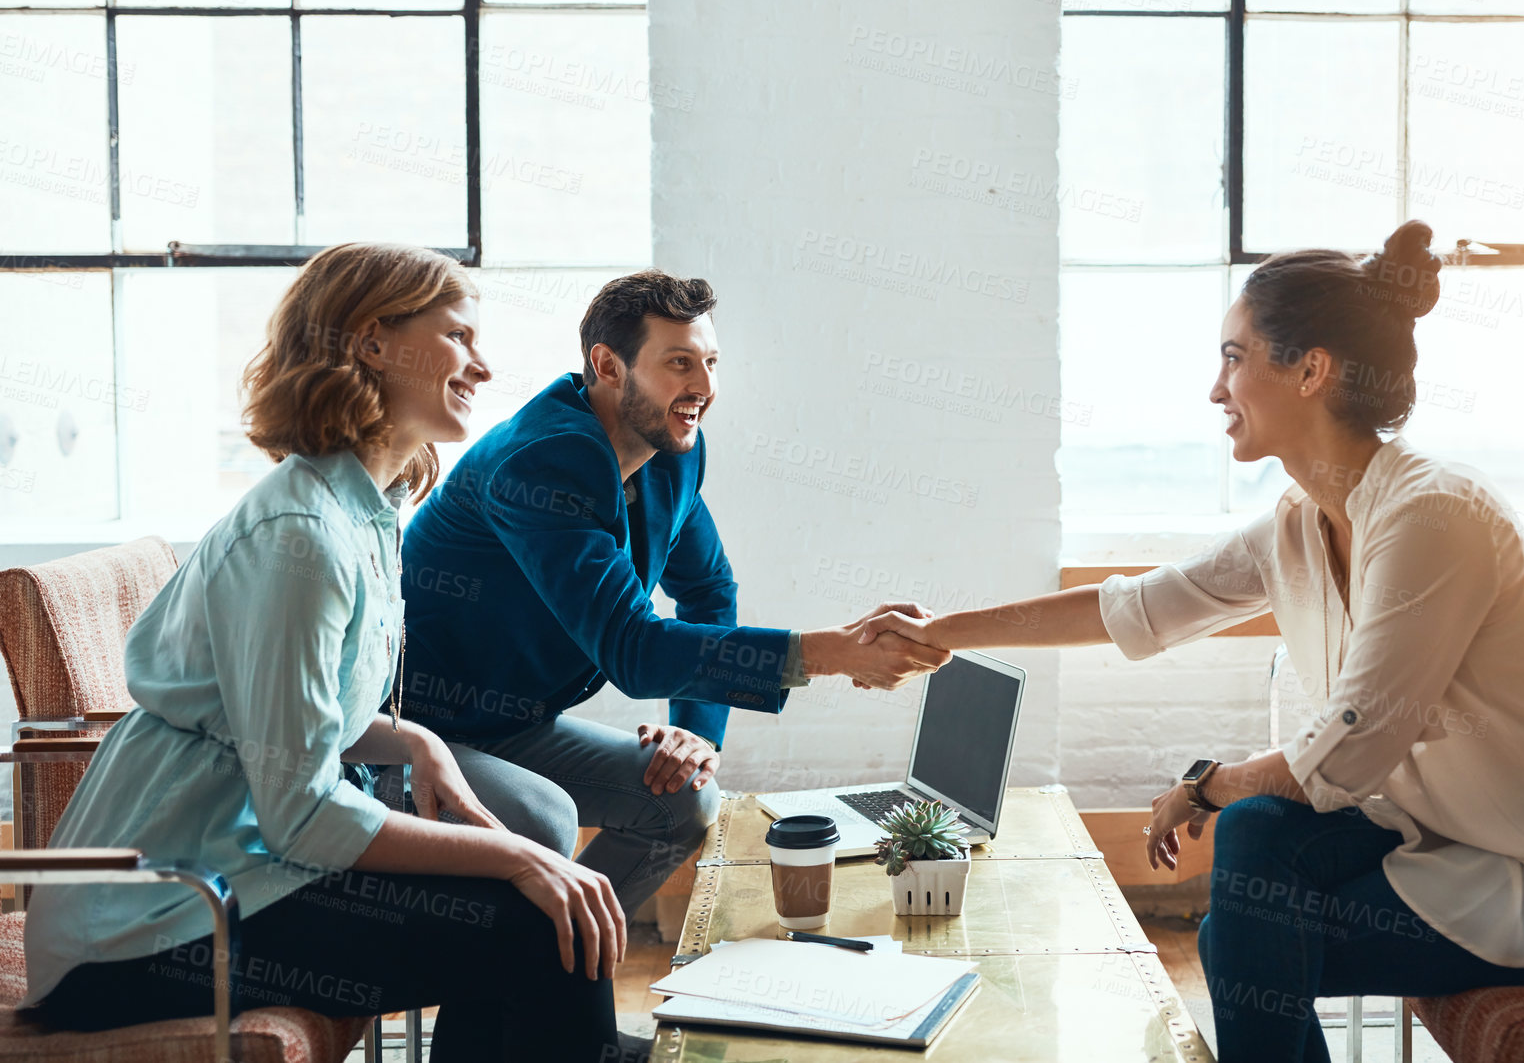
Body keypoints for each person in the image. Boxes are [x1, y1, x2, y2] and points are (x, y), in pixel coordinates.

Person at [852, 222, 1524, 1062]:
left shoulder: (1435, 515)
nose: (1215, 390)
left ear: (1312, 370)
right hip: (1462, 844)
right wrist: (941, 635)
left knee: (1240, 934)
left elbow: (1351, 747)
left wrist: (1203, 785)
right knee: (1255, 849)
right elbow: (1136, 608)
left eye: (1233, 357)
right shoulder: (1300, 524)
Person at [25, 244, 631, 1062]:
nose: (483, 368)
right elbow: (304, 814)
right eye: (458, 337)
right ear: (372, 342)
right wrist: (516, 854)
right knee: (540, 923)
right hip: (146, 928)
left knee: (532, 917)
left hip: (238, 870)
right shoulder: (301, 537)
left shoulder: (362, 511)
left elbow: (298, 716)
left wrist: (411, 739)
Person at [395, 268, 949, 918]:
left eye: (711, 362)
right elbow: (632, 648)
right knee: (544, 821)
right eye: (680, 363)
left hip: (517, 725)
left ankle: (538, 981)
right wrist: (835, 653)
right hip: (417, 735)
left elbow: (708, 590)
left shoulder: (675, 449)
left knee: (682, 799)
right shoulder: (541, 462)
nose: (705, 388)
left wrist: (697, 731)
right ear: (608, 366)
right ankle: (527, 994)